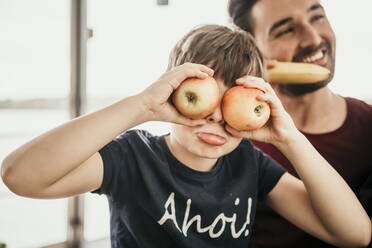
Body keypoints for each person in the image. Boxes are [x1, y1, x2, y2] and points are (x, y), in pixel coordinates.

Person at [1, 24, 370, 248]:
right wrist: (141, 106)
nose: (214, 115)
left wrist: (290, 138)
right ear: (172, 88)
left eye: (230, 102)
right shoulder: (133, 158)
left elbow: (354, 234)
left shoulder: (250, 165)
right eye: (203, 95)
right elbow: (20, 175)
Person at [228, 0, 372, 247]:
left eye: (317, 17)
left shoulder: (368, 128)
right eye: (286, 30)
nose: (314, 38)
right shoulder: (231, 138)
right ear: (253, 50)